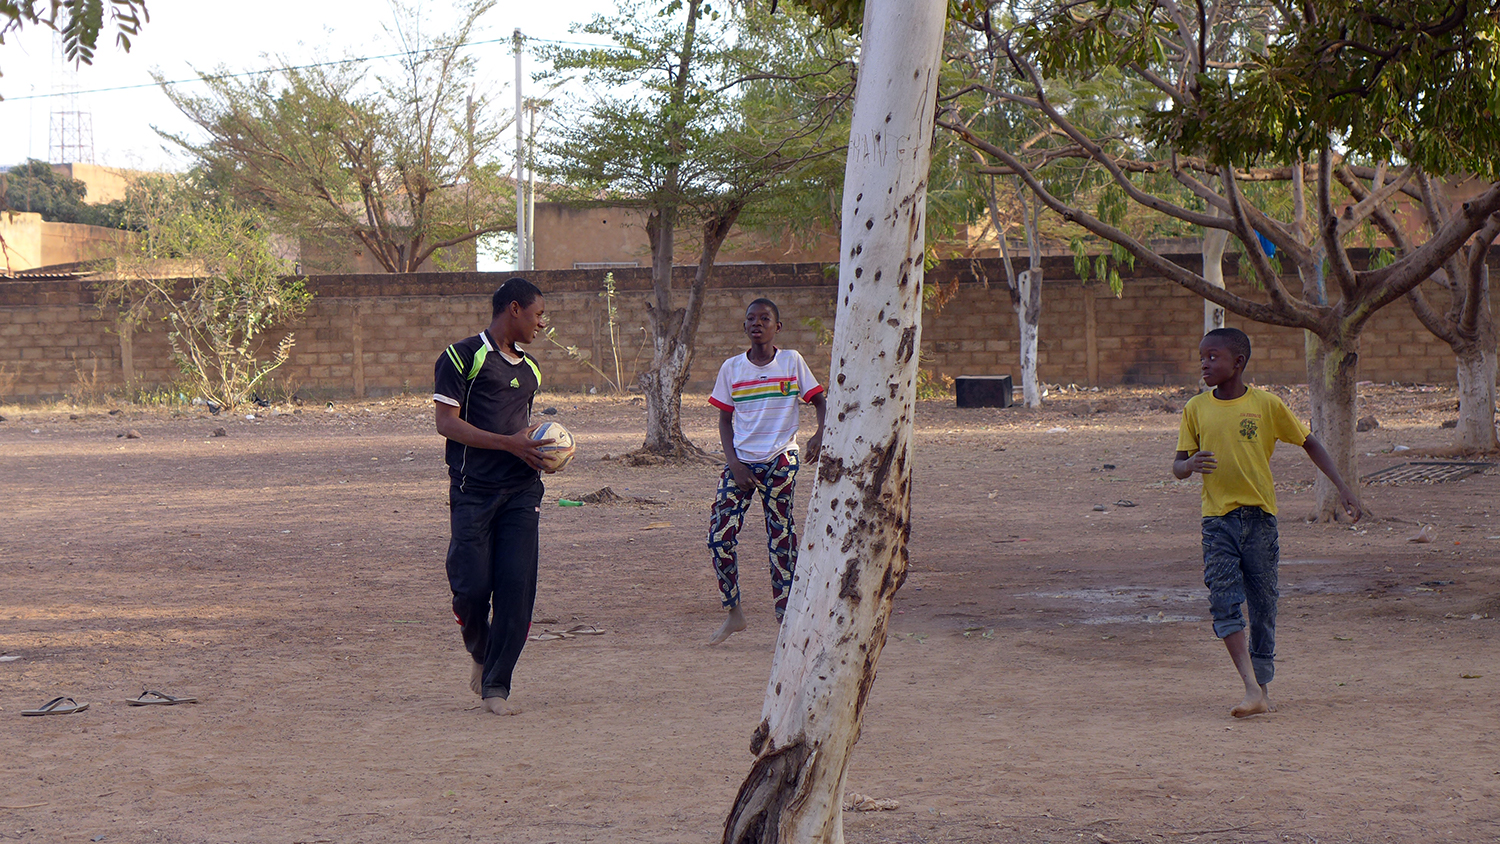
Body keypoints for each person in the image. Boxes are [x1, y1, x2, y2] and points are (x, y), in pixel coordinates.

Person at [1173, 327, 1363, 718]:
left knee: (1263, 606)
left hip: (1260, 521)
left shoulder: (1266, 405)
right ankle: (1248, 686)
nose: (1204, 364)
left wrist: (1342, 487)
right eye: (1202, 357)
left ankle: (1262, 688)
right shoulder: (1195, 408)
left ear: (1238, 363)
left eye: (1214, 357)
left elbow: (1309, 442)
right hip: (1217, 522)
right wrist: (1189, 465)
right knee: (1224, 602)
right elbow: (1177, 465)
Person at [433, 277, 553, 716]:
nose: (542, 323)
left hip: (522, 492)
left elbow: (518, 426)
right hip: (473, 492)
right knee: (470, 589)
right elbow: (447, 424)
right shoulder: (461, 357)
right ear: (515, 309)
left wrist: (542, 447)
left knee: (516, 591)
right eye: (539, 314)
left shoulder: (531, 368)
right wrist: (509, 444)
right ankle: (480, 654)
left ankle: (496, 687)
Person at [705, 298, 827, 646]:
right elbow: (724, 419)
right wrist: (733, 463)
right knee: (719, 538)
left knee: (781, 539)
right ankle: (734, 612)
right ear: (744, 327)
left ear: (778, 327)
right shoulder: (732, 368)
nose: (756, 323)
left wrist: (819, 433)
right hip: (741, 461)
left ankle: (786, 620)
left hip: (779, 460)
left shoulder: (791, 362)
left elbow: (819, 400)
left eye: (765, 318)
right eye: (750, 319)